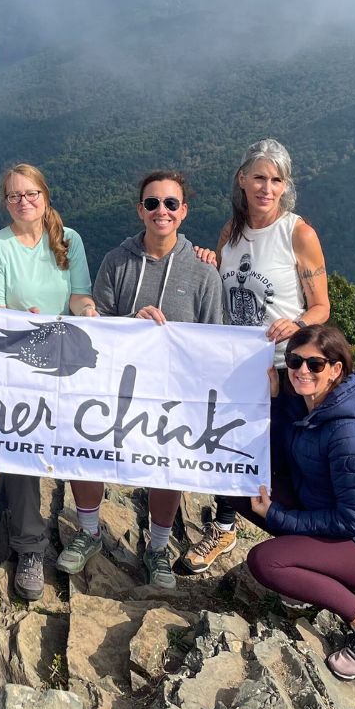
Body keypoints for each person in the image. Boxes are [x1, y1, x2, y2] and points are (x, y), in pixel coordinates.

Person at [56, 170, 224, 589]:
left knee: (168, 464)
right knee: (85, 444)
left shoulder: (203, 273)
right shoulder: (117, 260)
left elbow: (212, 338)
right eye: (152, 203)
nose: (161, 211)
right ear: (140, 210)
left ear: (183, 212)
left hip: (173, 390)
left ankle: (158, 548)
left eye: (170, 204)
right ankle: (90, 531)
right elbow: (100, 329)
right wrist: (132, 323)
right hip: (116, 382)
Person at [182, 138, 330, 574]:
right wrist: (209, 264)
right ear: (242, 180)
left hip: (287, 366)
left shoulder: (298, 233)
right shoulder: (231, 233)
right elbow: (223, 292)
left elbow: (322, 305)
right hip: (236, 362)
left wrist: (299, 322)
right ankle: (224, 527)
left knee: (286, 456)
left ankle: (307, 545)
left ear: (286, 186)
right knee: (228, 444)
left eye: (276, 180)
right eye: (259, 177)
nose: (267, 187)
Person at [242, 325, 355, 680]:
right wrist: (274, 404)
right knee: (241, 488)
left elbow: (353, 521)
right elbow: (279, 461)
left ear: (336, 369)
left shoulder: (351, 432)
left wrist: (279, 517)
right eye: (295, 361)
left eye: (315, 364)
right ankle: (311, 575)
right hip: (326, 515)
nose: (302, 370)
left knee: (266, 563)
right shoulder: (303, 402)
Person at [0, 163, 96, 600]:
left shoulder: (70, 240)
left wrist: (86, 312)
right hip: (19, 364)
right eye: (14, 196)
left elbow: (79, 293)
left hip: (64, 358)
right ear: (5, 202)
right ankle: (29, 547)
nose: (23, 202)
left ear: (45, 196)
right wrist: (20, 322)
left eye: (31, 194)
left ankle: (7, 507)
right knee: (23, 446)